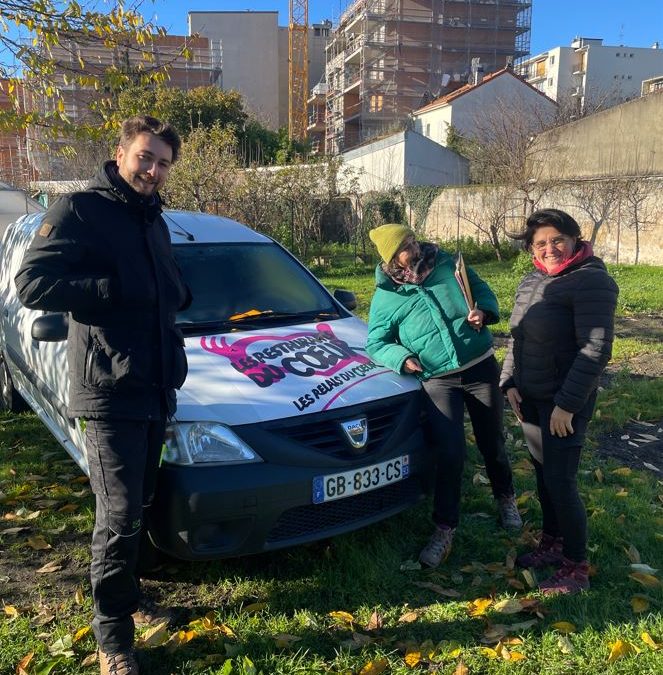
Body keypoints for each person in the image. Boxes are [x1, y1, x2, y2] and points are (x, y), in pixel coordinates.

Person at [15, 116, 190, 674]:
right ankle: (113, 639)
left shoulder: (153, 219)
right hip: (107, 388)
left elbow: (160, 289)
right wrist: (111, 290)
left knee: (137, 505)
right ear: (120, 154)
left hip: (156, 385)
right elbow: (33, 283)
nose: (153, 170)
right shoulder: (81, 210)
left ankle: (130, 600)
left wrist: (177, 290)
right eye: (145, 158)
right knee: (117, 515)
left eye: (163, 162)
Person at [366, 223, 522, 569]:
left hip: (479, 366)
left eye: (412, 238)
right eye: (405, 245)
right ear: (392, 258)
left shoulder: (447, 263)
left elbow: (481, 290)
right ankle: (445, 528)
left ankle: (506, 498)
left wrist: (484, 311)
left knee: (492, 441)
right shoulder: (387, 296)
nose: (414, 246)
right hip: (438, 380)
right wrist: (401, 358)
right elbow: (376, 342)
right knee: (450, 453)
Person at [500, 208, 618, 595]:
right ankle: (552, 542)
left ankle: (575, 566)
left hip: (564, 402)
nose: (549, 249)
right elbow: (518, 339)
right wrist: (509, 383)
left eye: (556, 240)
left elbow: (595, 350)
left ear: (573, 239)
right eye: (540, 243)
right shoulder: (531, 280)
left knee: (560, 481)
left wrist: (567, 405)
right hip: (530, 396)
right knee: (542, 474)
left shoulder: (592, 282)